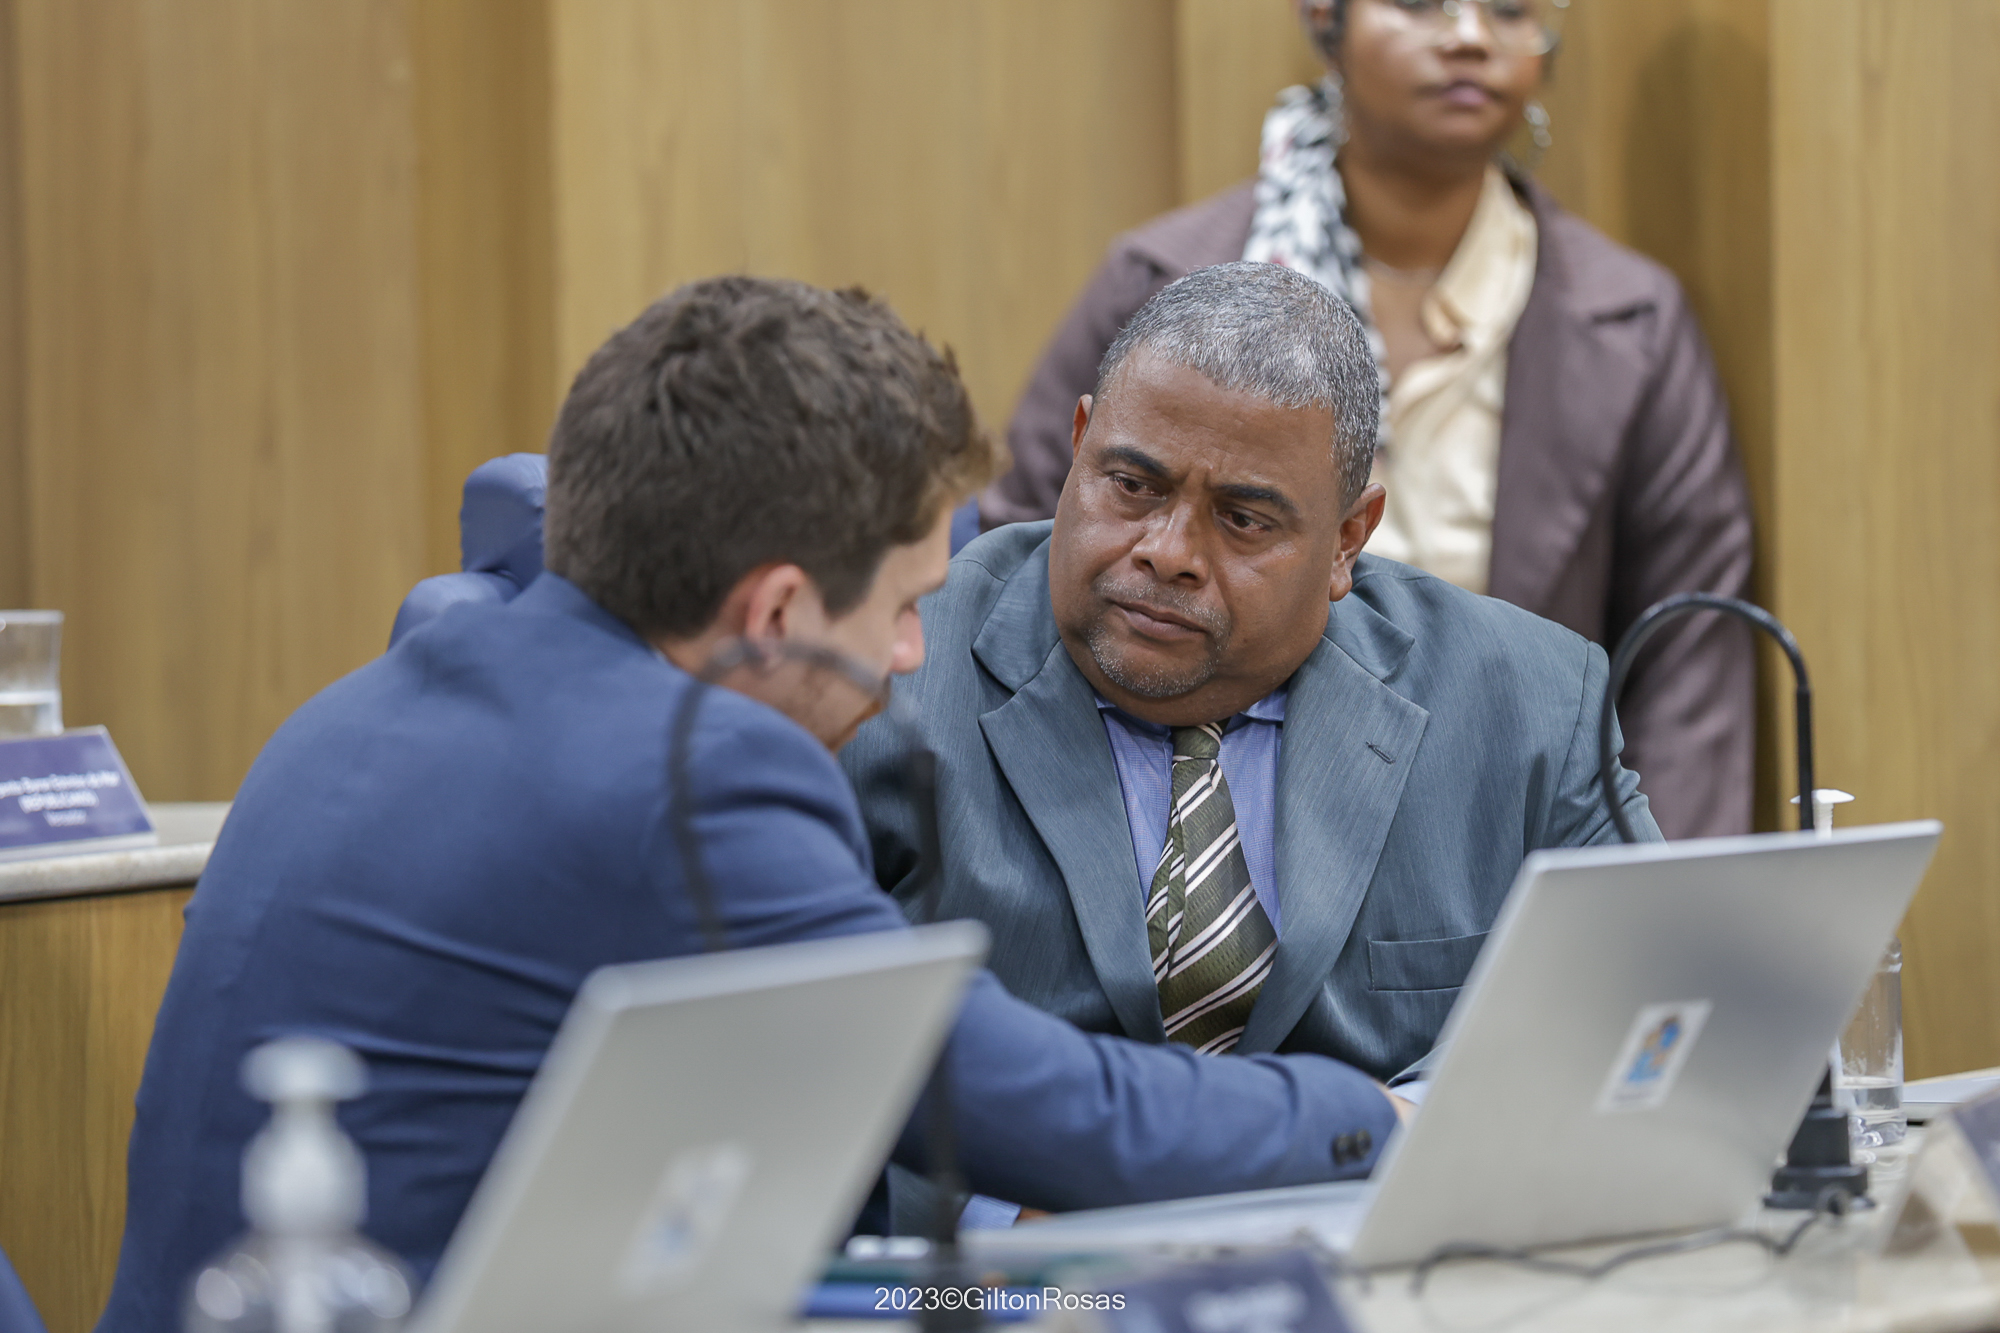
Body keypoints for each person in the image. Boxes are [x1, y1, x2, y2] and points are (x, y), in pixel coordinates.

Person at [97, 277, 1405, 1332]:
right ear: (777, 611)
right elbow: (1030, 1109)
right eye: (903, 607)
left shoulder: (375, 697)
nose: (910, 656)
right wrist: (1372, 1118)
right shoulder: (689, 773)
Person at [844, 262, 1657, 1224]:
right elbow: (789, 1057)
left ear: (1349, 538)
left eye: (1242, 518)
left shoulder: (1529, 703)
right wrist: (993, 1228)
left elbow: (1639, 1005)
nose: (1168, 551)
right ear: (1078, 446)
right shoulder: (877, 682)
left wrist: (1415, 1132)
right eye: (1132, 485)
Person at [977, 0, 1754, 839]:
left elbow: (1690, 654)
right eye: (1419, 2)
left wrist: (1652, 898)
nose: (1469, 36)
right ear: (1327, 16)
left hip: (1503, 830)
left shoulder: (1633, 322)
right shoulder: (1162, 283)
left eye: (1508, 8)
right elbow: (1024, 559)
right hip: (1185, 818)